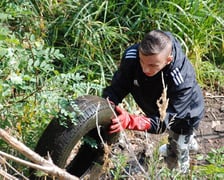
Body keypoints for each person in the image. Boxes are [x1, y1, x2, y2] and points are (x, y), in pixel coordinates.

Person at [102, 30, 204, 173]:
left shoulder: (181, 79)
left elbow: (164, 122)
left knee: (176, 157)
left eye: (153, 66)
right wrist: (107, 107)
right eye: (142, 62)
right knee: (176, 140)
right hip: (152, 104)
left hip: (184, 115)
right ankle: (186, 141)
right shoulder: (132, 57)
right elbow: (118, 86)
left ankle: (184, 146)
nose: (145, 69)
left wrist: (130, 121)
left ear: (168, 59)